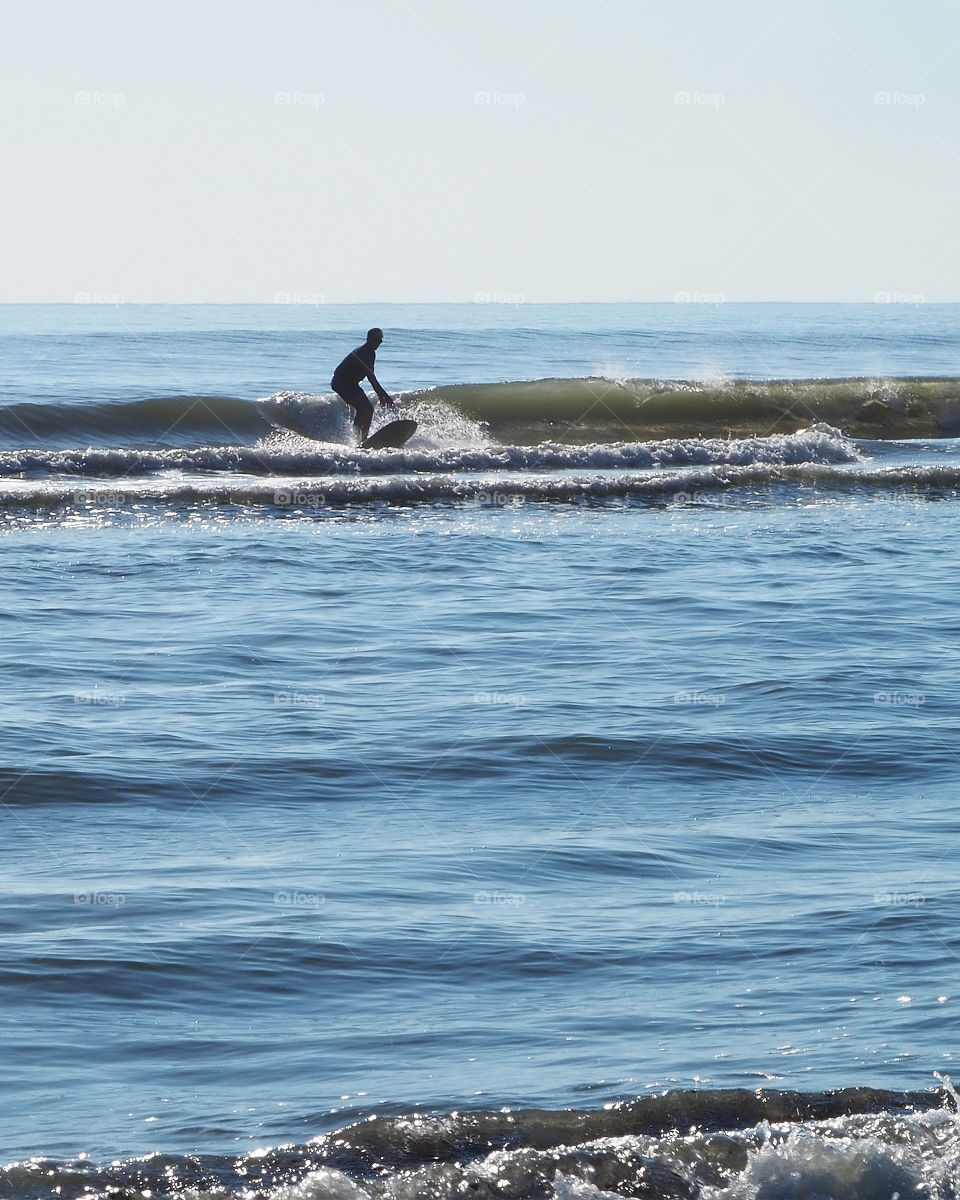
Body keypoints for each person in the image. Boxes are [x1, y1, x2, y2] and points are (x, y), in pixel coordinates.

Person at [331, 327, 395, 441]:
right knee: (366, 409)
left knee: (365, 410)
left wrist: (381, 395)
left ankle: (359, 438)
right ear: (369, 339)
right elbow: (371, 378)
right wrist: (384, 396)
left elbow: (371, 376)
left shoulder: (371, 353)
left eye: (380, 341)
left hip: (350, 384)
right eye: (376, 340)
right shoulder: (364, 353)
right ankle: (359, 439)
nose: (378, 344)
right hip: (342, 383)